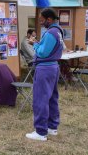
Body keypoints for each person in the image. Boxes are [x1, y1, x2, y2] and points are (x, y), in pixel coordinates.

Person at [26, 8, 64, 141]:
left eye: (42, 20)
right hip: (53, 67)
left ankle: (40, 132)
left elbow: (42, 52)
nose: (41, 23)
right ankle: (52, 127)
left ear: (49, 19)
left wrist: (34, 45)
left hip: (45, 69)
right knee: (52, 98)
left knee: (40, 99)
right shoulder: (59, 31)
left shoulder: (50, 33)